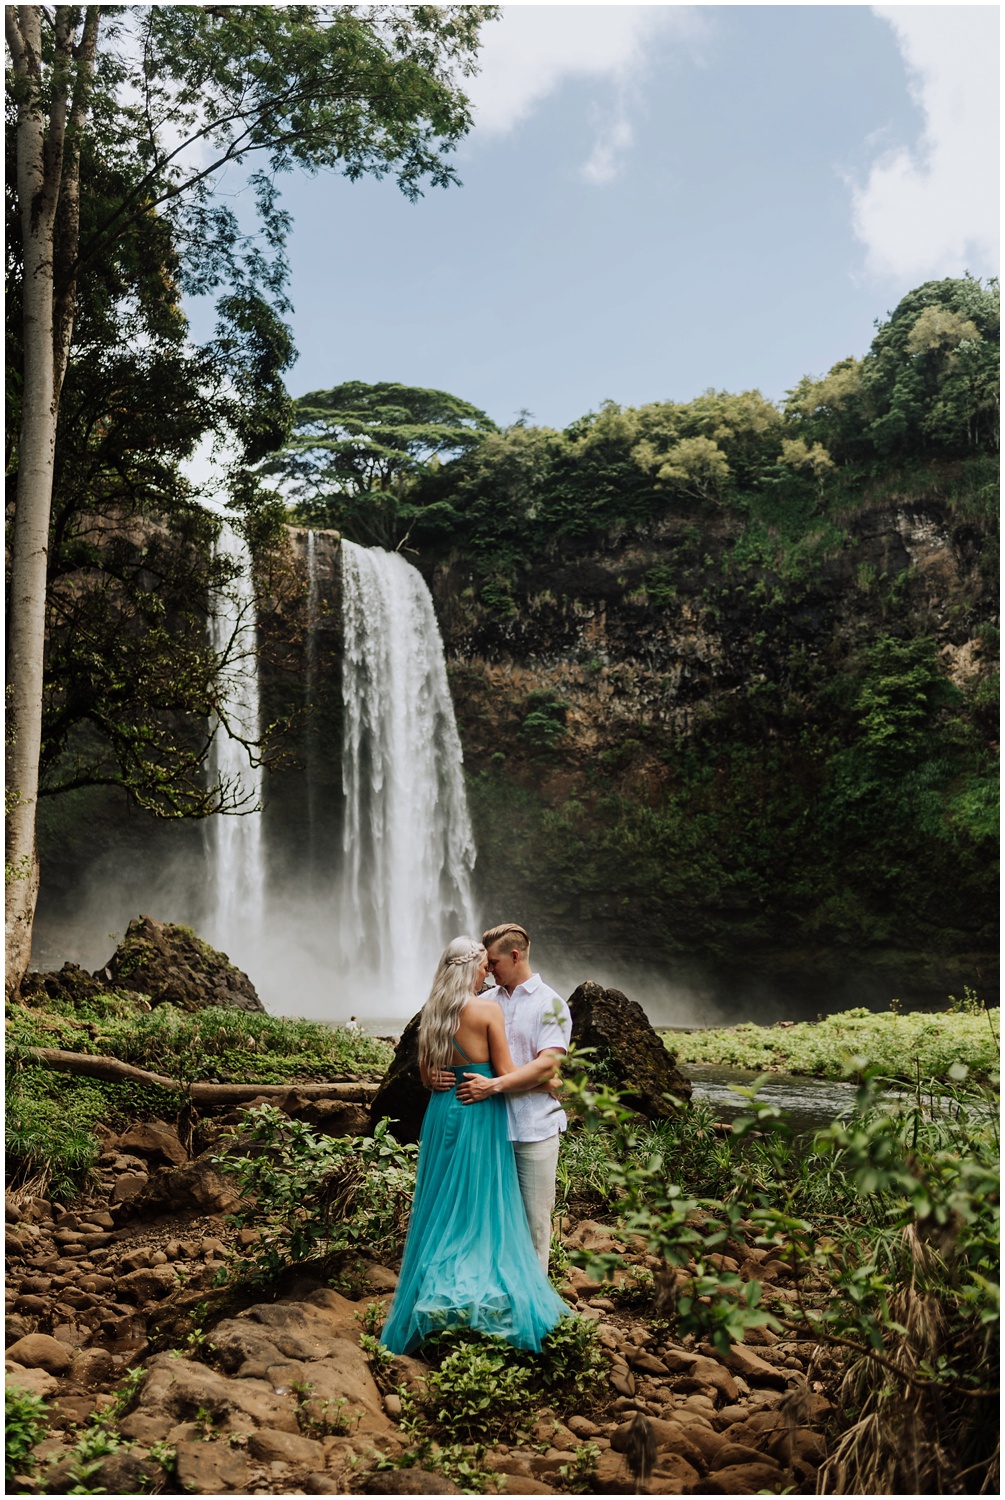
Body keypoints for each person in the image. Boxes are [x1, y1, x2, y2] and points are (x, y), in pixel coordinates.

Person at [379, 936, 568, 1356]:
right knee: (481, 1208)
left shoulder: (434, 1010)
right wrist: (549, 1079)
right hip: (479, 1112)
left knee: (442, 1209)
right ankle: (481, 1300)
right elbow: (503, 1071)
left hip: (443, 1112)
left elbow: (428, 1071)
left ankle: (432, 1290)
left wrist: (434, 1079)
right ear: (471, 968)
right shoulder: (488, 1008)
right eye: (483, 964)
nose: (487, 970)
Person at [455, 923, 572, 1273]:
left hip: (534, 1129)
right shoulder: (484, 1002)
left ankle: (532, 1305)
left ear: (515, 955)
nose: (488, 970)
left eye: (493, 962)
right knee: (490, 1219)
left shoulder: (550, 1004)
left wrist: (494, 1086)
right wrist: (434, 1074)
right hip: (489, 1129)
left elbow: (548, 1066)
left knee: (535, 1223)